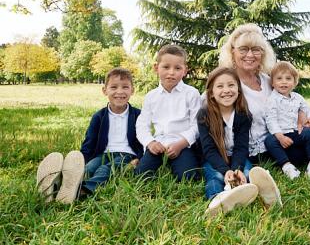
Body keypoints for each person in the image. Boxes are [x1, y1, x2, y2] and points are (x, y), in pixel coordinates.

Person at [218, 24, 310, 165]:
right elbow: (206, 104)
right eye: (243, 49)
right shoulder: (228, 84)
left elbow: (291, 101)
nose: (250, 55)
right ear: (232, 52)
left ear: (263, 53)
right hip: (266, 147)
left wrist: (302, 117)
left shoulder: (268, 80)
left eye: (256, 49)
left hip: (286, 130)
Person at [36, 67, 143, 204]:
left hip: (126, 155)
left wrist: (139, 159)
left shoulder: (138, 115)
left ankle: (81, 191)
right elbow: (89, 142)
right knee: (89, 169)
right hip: (102, 154)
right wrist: (82, 161)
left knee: (105, 170)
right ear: (105, 91)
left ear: (132, 90)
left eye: (125, 87)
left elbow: (144, 140)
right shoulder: (99, 116)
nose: (120, 92)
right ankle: (56, 185)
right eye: (114, 87)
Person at [198, 67, 281, 217]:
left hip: (237, 155)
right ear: (211, 93)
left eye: (231, 85)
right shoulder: (204, 114)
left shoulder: (243, 114)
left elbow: (242, 147)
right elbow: (209, 149)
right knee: (216, 177)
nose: (226, 90)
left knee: (247, 173)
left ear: (239, 90)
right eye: (220, 86)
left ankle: (266, 195)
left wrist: (236, 168)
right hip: (214, 157)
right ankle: (217, 201)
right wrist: (226, 171)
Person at [134, 44, 201, 181]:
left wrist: (181, 144)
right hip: (159, 144)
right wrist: (150, 143)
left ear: (185, 70)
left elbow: (197, 125)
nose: (171, 72)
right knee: (141, 176)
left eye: (177, 68)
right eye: (166, 67)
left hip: (182, 144)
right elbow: (142, 125)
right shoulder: (151, 96)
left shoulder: (192, 94)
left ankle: (178, 164)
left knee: (188, 177)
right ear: (156, 68)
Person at [264, 61, 310, 179]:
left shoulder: (298, 97)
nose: (284, 82)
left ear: (294, 82)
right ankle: (287, 167)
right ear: (273, 83)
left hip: (297, 132)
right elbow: (271, 120)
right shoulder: (272, 100)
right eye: (279, 78)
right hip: (281, 135)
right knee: (269, 140)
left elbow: (308, 109)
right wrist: (280, 137)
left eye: (288, 78)